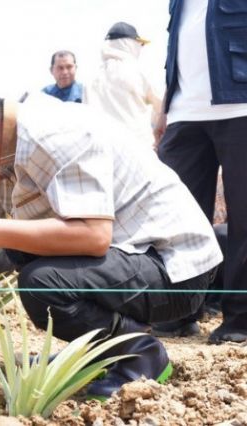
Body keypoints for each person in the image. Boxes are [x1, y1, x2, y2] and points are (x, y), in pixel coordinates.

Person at [0, 79, 222, 399]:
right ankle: (97, 351)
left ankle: (139, 351)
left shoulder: (54, 135)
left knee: (41, 283)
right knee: (17, 248)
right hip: (130, 257)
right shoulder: (2, 158)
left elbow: (93, 236)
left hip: (174, 267)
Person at [152, 0, 247, 344]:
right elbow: (178, 48)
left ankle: (240, 319)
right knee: (175, 220)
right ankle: (178, 312)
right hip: (183, 112)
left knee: (244, 221)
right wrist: (166, 105)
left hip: (240, 102)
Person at [84, 22, 162, 148]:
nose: (141, 48)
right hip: (139, 148)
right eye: (140, 44)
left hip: (101, 150)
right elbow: (162, 107)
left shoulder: (92, 76)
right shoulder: (138, 71)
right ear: (129, 43)